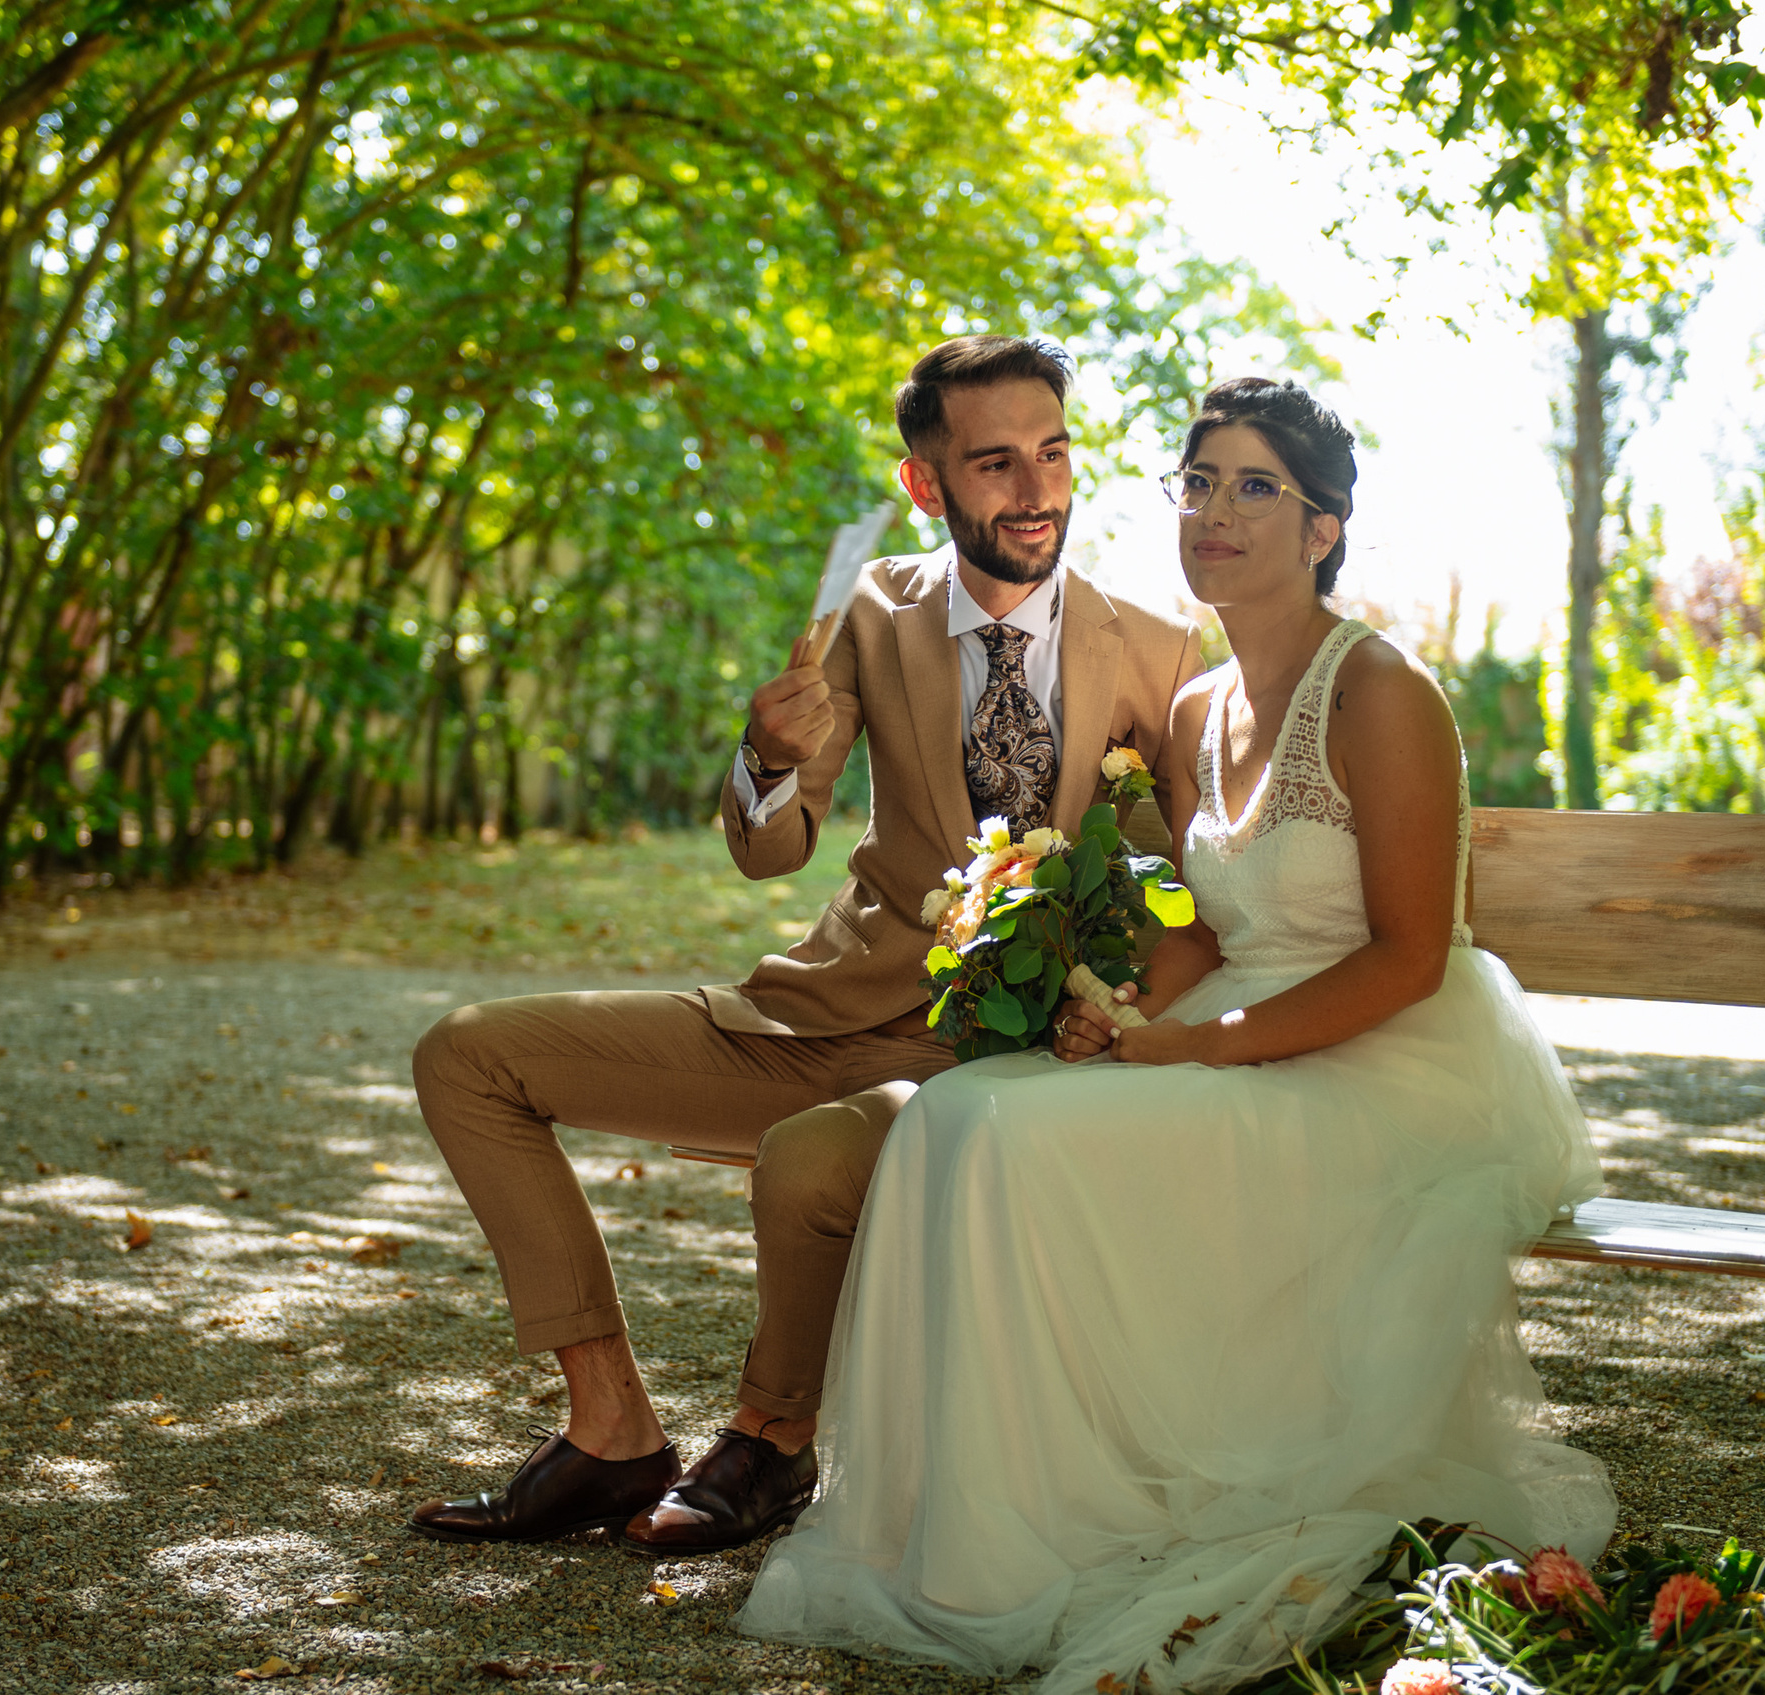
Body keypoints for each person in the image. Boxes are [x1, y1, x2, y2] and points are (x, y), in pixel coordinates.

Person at [738, 379, 1615, 1691]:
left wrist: (1199, 1049)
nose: (1215, 511)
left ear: (1323, 527)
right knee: (962, 1114)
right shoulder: (1199, 708)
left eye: (1256, 487)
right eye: (1198, 483)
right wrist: (1117, 1009)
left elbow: (1409, 953)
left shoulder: (1378, 688)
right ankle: (984, 1527)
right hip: (1237, 1019)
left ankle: (1080, 1512)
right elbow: (1207, 927)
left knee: (1010, 1139)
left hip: (1384, 1055)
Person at [406, 336, 1205, 1554]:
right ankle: (611, 1427)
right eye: (993, 463)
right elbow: (771, 847)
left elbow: (1185, 881)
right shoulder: (872, 611)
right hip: (821, 1012)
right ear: (924, 483)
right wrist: (766, 757)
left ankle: (771, 1439)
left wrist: (1117, 1011)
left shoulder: (1156, 646)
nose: (1035, 489)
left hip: (999, 1057)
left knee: (804, 1160)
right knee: (468, 1056)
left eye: (1052, 454)